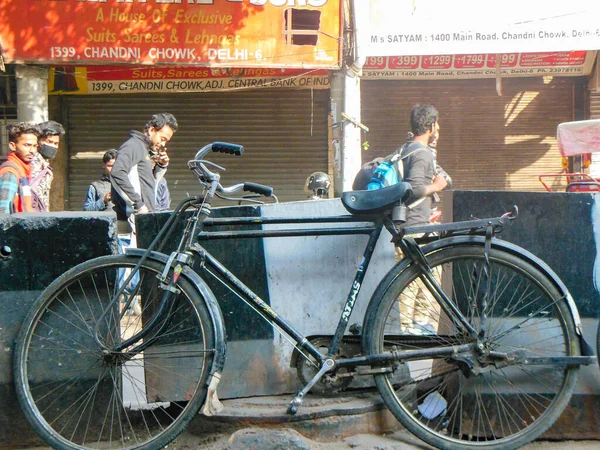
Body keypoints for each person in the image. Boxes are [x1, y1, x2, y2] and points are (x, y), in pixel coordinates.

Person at [398, 105, 451, 335]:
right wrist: (437, 186)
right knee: (413, 279)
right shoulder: (421, 153)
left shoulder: (406, 149)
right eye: (437, 125)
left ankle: (417, 324)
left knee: (423, 275)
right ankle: (408, 327)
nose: (438, 129)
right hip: (414, 226)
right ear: (431, 126)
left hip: (411, 223)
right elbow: (415, 188)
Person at [111, 112, 178, 245]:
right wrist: (139, 205)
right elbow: (118, 172)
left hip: (141, 221)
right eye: (163, 138)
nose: (163, 144)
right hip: (130, 224)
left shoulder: (143, 148)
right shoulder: (133, 146)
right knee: (130, 265)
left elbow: (147, 184)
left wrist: (160, 166)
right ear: (152, 130)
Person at [0, 123, 40, 214]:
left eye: (35, 146)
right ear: (12, 146)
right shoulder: (10, 173)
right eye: (27, 145)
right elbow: (2, 214)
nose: (32, 151)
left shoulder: (23, 170)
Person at [30, 120, 65, 211]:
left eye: (56, 143)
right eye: (49, 142)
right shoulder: (32, 163)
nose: (52, 146)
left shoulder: (44, 164)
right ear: (38, 141)